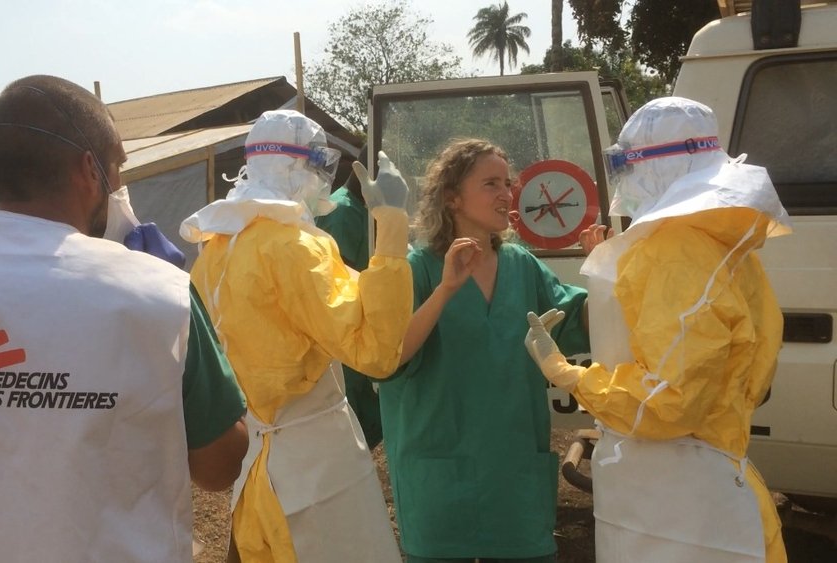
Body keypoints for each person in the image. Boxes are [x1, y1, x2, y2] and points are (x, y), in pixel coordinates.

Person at [0, 75, 248, 563]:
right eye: (117, 167)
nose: (120, 186)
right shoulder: (159, 292)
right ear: (89, 171)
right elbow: (221, 464)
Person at [524, 97, 791, 562]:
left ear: (651, 166)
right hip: (713, 487)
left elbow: (666, 403)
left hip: (679, 504)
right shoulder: (722, 247)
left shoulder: (672, 251)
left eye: (622, 161)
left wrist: (566, 373)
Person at [180, 109, 412, 562]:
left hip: (258, 466)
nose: (326, 176)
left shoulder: (216, 249)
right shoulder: (298, 247)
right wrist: (392, 226)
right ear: (294, 166)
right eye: (321, 161)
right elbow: (376, 352)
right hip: (317, 465)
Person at [384, 138, 590, 562]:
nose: (507, 195)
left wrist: (607, 267)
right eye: (491, 184)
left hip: (512, 470)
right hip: (439, 474)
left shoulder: (522, 265)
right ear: (452, 197)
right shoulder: (418, 269)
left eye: (507, 183)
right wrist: (445, 290)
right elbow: (389, 355)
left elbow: (575, 320)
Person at [315, 143, 383, 450]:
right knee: (353, 418)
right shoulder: (341, 212)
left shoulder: (364, 210)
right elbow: (337, 279)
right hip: (347, 327)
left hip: (362, 320)